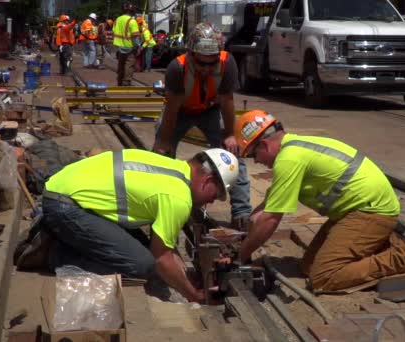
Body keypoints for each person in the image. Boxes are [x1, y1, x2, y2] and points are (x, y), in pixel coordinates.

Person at [234, 110, 405, 292]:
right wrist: (254, 219)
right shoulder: (295, 147)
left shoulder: (288, 159)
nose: (257, 162)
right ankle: (377, 241)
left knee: (323, 277)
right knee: (308, 266)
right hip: (356, 210)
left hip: (371, 211)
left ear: (264, 145)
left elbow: (271, 219)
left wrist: (240, 256)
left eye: (254, 155)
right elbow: (270, 205)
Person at [16, 148, 239, 303]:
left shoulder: (173, 167)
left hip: (64, 191)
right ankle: (52, 252)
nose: (212, 201)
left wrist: (183, 274)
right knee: (142, 265)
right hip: (64, 205)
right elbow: (161, 258)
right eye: (216, 195)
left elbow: (164, 245)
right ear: (208, 181)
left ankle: (61, 232)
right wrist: (194, 295)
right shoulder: (179, 197)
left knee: (142, 247)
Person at [152, 22, 252, 230]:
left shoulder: (227, 63)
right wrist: (164, 141)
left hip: (210, 109)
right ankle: (162, 204)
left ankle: (241, 213)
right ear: (190, 55)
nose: (206, 69)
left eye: (211, 63)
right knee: (162, 155)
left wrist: (230, 135)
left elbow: (227, 100)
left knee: (233, 154)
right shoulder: (176, 68)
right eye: (201, 63)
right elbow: (171, 108)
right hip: (179, 112)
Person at [112, 2, 141, 85]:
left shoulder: (118, 19)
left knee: (121, 64)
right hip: (129, 47)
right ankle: (126, 82)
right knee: (129, 65)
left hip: (119, 46)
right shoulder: (132, 21)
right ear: (131, 11)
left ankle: (120, 81)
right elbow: (135, 36)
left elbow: (114, 31)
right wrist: (138, 46)